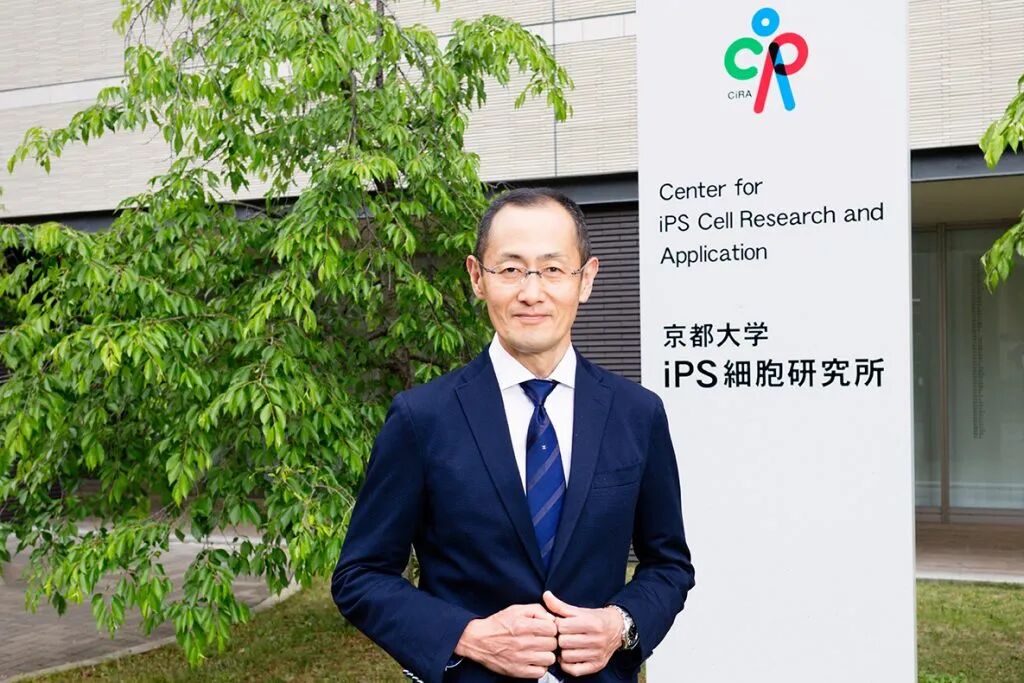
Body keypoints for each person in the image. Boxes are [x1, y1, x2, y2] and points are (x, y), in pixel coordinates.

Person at [331, 188, 694, 683]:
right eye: (510, 269)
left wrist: (621, 624)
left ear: (586, 279)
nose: (531, 292)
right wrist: (467, 635)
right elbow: (360, 576)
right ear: (477, 277)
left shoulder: (637, 414)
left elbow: (669, 564)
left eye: (552, 269)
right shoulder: (422, 418)